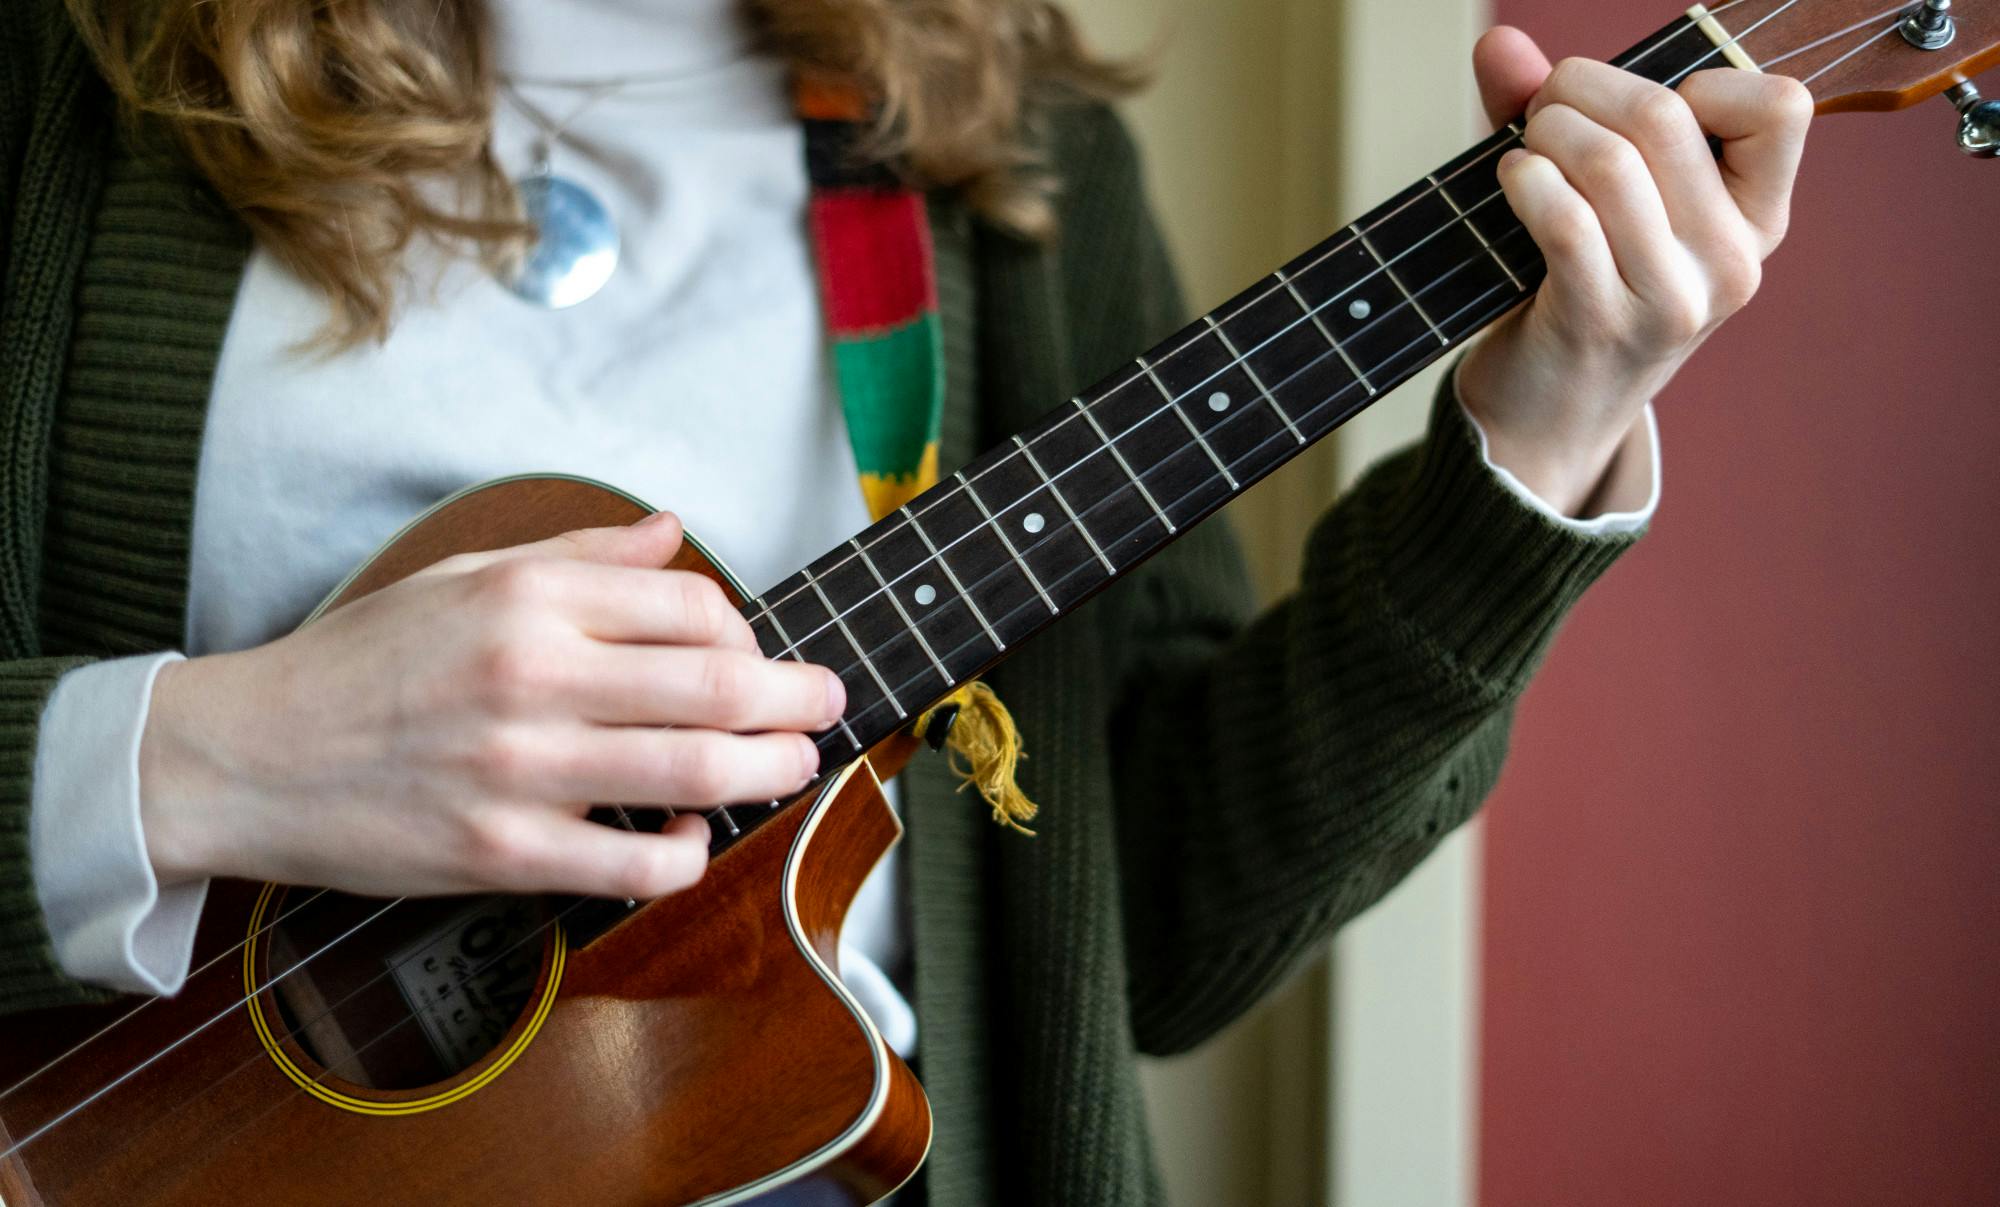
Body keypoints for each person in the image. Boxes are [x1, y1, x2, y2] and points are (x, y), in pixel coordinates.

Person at [0, 0, 1810, 1201]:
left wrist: (1543, 431)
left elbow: (1157, 932)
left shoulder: (1011, 162)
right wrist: (208, 756)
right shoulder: (56, 83)